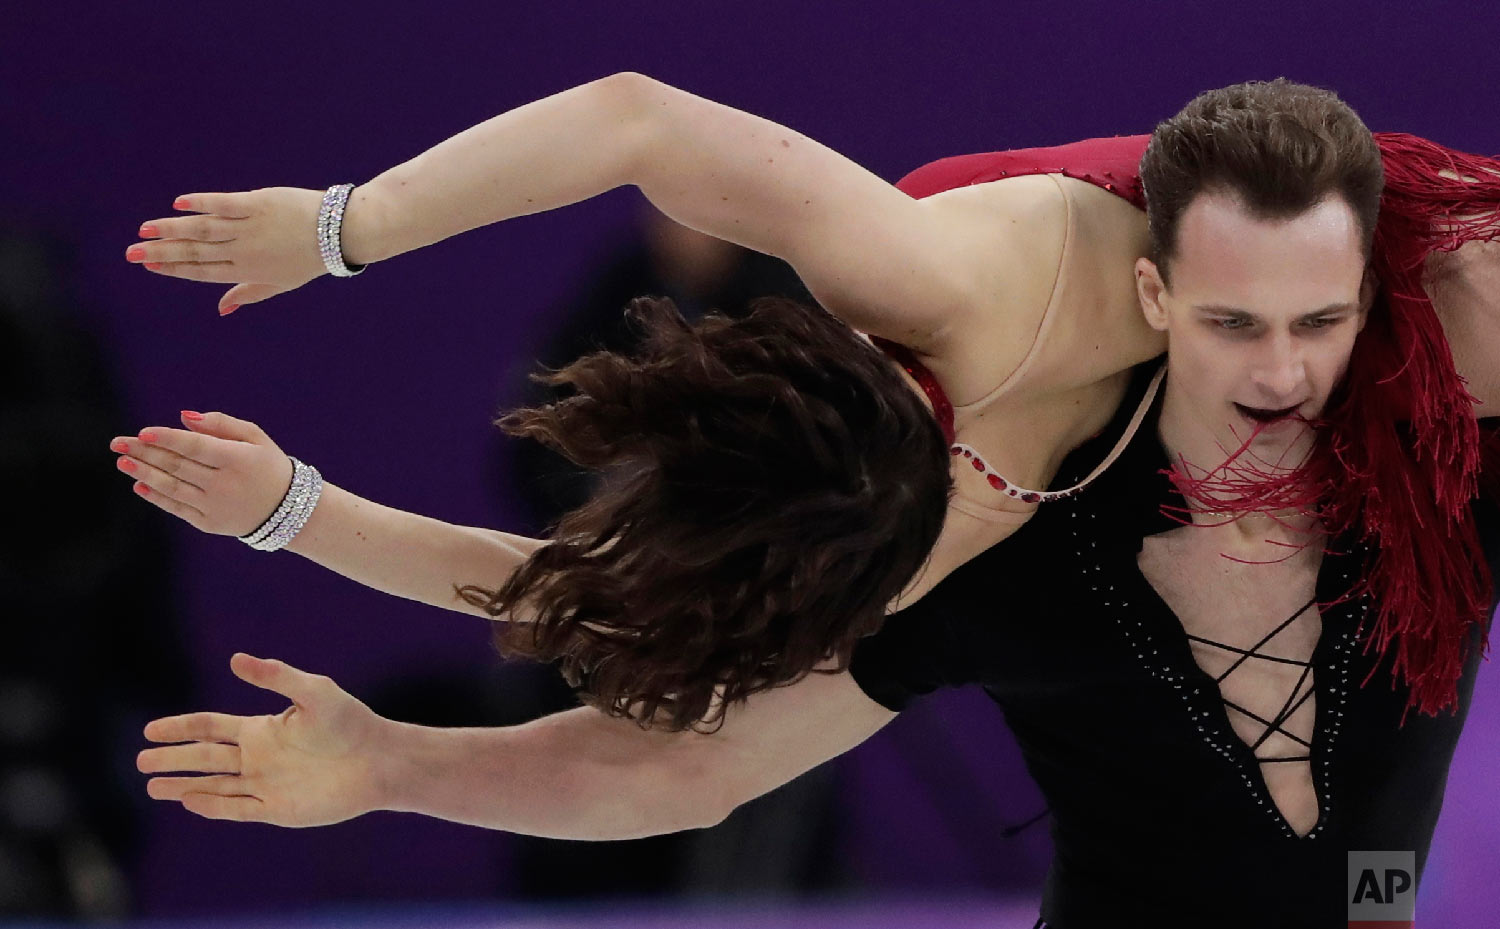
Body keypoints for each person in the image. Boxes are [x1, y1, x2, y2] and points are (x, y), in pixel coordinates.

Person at [116, 75, 1499, 735]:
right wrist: (342, 228)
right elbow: (631, 122)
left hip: (1319, 308)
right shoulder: (910, 281)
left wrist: (297, 513)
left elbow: (566, 599)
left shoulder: (920, 507)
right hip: (1310, 368)